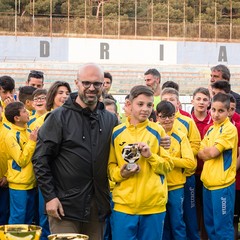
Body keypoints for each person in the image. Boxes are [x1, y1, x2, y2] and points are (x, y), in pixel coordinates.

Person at [32, 63, 118, 240]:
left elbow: (125, 148)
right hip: (65, 207)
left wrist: (160, 141)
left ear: (103, 85)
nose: (91, 88)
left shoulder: (110, 120)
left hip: (98, 207)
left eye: (97, 84)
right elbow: (40, 159)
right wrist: (50, 197)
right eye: (86, 83)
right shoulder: (58, 117)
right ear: (77, 83)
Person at [108, 85, 173, 240]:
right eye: (140, 104)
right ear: (129, 105)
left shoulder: (158, 131)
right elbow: (110, 168)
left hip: (153, 206)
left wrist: (150, 156)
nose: (145, 109)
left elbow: (167, 166)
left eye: (149, 105)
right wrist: (122, 173)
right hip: (123, 206)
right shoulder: (116, 133)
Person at [161, 87, 201, 240]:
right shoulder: (155, 126)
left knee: (186, 216)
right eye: (165, 100)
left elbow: (196, 145)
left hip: (184, 177)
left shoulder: (186, 122)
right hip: (163, 182)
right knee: (165, 221)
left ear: (178, 103)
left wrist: (180, 157)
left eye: (171, 99)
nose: (168, 102)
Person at [198, 93, 238, 240]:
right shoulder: (210, 129)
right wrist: (208, 151)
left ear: (228, 111)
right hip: (207, 184)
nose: (216, 114)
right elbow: (200, 153)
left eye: (220, 111)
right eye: (213, 110)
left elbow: (213, 152)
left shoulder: (229, 129)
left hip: (222, 186)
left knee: (222, 228)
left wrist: (209, 151)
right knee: (210, 226)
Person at [4, 101, 38, 224]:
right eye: (24, 111)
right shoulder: (11, 136)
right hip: (19, 185)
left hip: (31, 183)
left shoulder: (28, 132)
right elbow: (21, 161)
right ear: (17, 118)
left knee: (29, 219)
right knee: (18, 218)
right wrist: (32, 142)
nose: (28, 112)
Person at [191, 87, 212, 240]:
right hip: (191, 173)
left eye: (205, 99)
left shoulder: (213, 120)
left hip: (208, 173)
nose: (201, 102)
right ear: (192, 101)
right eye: (198, 99)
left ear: (209, 102)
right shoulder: (187, 120)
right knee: (193, 210)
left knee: (207, 211)